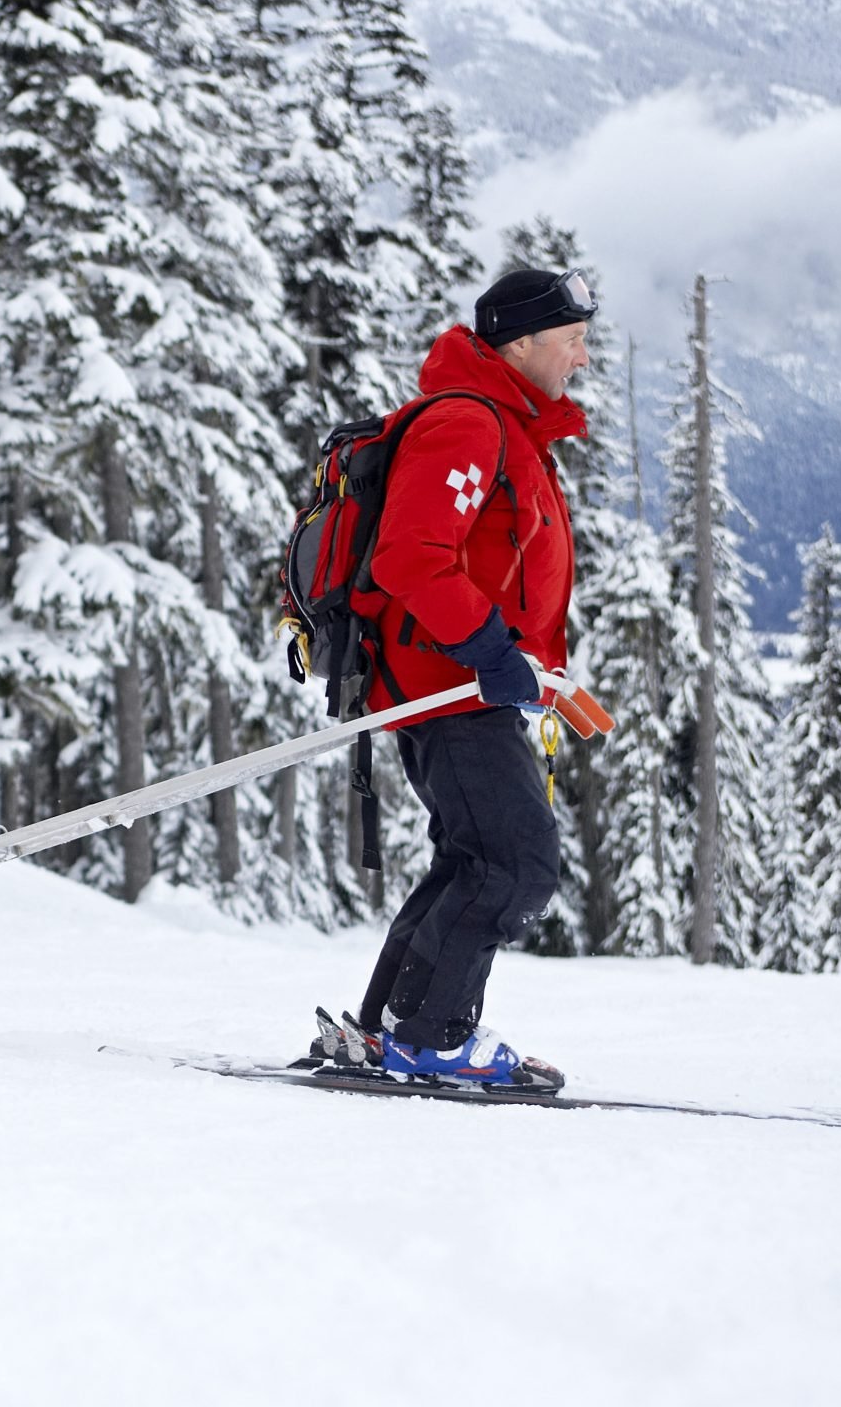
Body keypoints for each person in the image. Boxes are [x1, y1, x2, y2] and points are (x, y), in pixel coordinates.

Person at [344, 267, 595, 1088]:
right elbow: (410, 556)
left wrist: (523, 661)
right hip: (451, 683)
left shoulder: (509, 428)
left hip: (469, 681)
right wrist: (490, 651)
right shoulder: (466, 424)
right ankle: (433, 1038)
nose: (582, 358)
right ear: (519, 343)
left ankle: (390, 1029)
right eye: (572, 341)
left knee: (474, 857)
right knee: (517, 864)